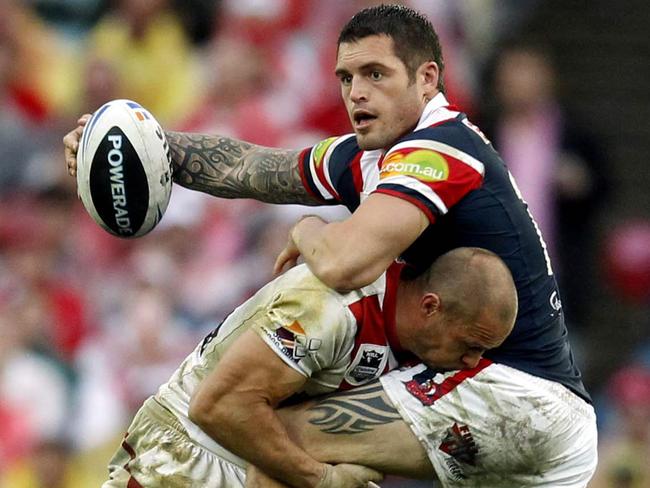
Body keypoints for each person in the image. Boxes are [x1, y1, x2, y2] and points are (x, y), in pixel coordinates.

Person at [63, 3, 598, 486]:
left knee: (276, 440)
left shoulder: (441, 149)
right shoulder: (368, 156)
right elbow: (251, 168)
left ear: (427, 79)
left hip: (521, 395)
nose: (356, 92)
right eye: (345, 77)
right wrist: (129, 142)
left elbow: (345, 264)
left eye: (375, 74)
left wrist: (310, 229)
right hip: (509, 406)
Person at [99, 247, 517, 487]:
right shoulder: (331, 307)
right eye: (471, 344)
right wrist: (320, 480)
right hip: (191, 456)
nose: (471, 362)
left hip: (254, 465)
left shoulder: (416, 341)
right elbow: (219, 406)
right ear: (431, 307)